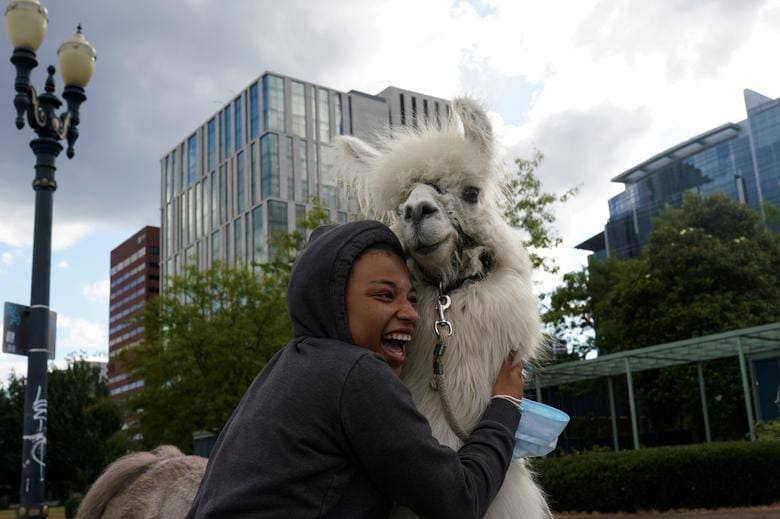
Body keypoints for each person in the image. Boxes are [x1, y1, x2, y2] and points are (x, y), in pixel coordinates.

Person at [185, 220, 524, 519]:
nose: (410, 314)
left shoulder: (285, 367)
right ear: (331, 301)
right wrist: (504, 408)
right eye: (385, 296)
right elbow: (458, 501)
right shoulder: (356, 372)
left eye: (412, 299)